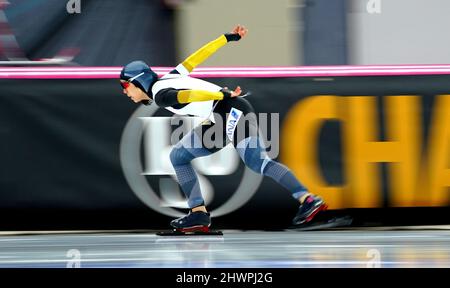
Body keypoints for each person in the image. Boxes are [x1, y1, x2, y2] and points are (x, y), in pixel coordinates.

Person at [119, 25, 327, 232]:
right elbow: (196, 58)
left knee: (257, 161)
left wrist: (222, 95)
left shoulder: (161, 95)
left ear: (139, 82)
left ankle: (307, 199)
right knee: (178, 156)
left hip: (231, 109)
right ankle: (198, 213)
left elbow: (188, 95)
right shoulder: (170, 78)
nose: (125, 92)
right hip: (218, 114)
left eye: (125, 86)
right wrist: (225, 38)